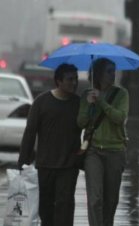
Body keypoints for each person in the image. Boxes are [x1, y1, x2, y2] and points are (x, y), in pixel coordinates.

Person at [18, 63, 81, 226]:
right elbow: (30, 132)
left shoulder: (79, 103)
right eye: (69, 79)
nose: (74, 83)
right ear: (58, 81)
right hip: (45, 165)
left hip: (69, 166)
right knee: (45, 208)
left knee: (65, 206)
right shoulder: (41, 102)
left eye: (76, 79)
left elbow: (90, 128)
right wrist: (23, 162)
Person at [77, 58, 129, 226]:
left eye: (114, 71)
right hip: (93, 152)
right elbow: (81, 123)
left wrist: (101, 102)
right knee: (95, 198)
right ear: (98, 74)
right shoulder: (87, 94)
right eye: (109, 71)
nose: (113, 75)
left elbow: (119, 118)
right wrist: (89, 105)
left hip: (115, 150)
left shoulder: (121, 94)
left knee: (111, 200)